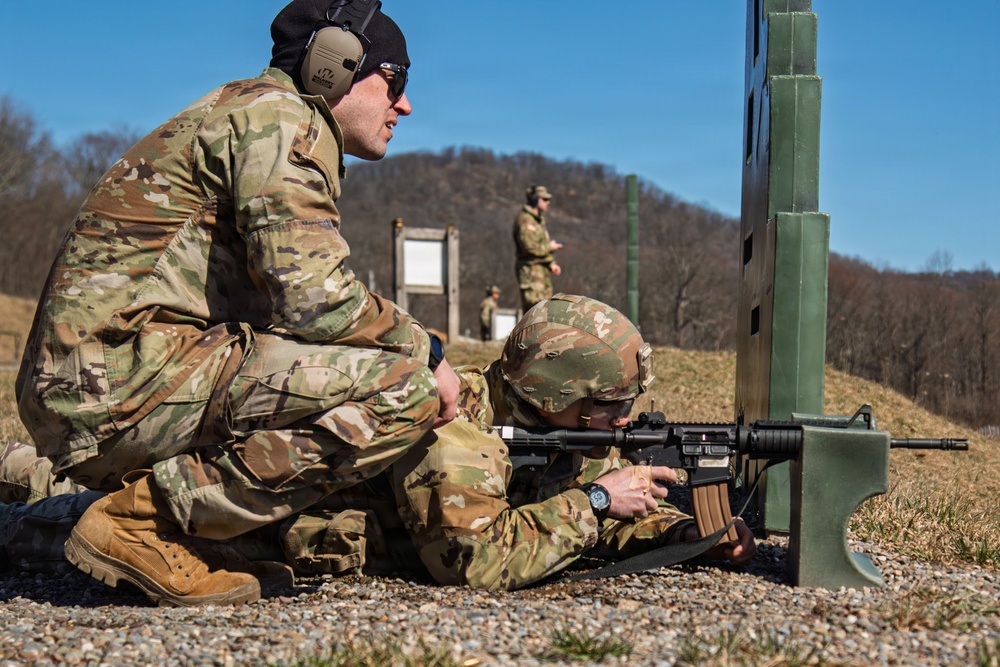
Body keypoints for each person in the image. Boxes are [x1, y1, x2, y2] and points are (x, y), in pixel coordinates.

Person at [12, 0, 460, 607]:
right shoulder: (276, 120)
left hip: (106, 380)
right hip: (119, 383)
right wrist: (427, 350)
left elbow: (290, 307)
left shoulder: (246, 112)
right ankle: (146, 521)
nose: (403, 105)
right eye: (395, 80)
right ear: (335, 65)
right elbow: (317, 301)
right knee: (403, 387)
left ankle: (85, 522)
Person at [2, 295, 754, 590]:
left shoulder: (552, 429)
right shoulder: (455, 438)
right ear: (556, 395)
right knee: (48, 520)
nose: (622, 421)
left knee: (57, 483)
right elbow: (472, 560)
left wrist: (689, 531)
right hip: (233, 528)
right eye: (609, 405)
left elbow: (596, 504)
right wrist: (595, 501)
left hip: (236, 498)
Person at [513, 185, 563, 312]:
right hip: (530, 273)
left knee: (544, 310)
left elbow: (540, 246)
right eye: (545, 199)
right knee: (534, 311)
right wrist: (549, 247)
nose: (548, 202)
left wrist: (551, 263)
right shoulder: (525, 220)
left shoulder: (539, 220)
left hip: (541, 273)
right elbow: (529, 247)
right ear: (536, 200)